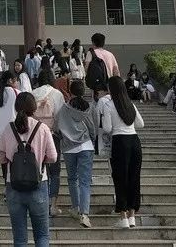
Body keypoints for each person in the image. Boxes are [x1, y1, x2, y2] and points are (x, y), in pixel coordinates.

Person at [0, 91, 58, 247]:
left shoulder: (8, 128)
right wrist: (38, 159)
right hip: (39, 184)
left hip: (13, 185)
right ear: (34, 107)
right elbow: (53, 157)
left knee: (19, 239)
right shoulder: (42, 128)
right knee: (42, 235)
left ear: (16, 108)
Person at [98, 75, 144, 229]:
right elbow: (140, 124)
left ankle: (123, 216)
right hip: (134, 141)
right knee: (134, 178)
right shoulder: (130, 103)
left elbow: (107, 128)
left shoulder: (109, 105)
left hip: (119, 142)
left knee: (120, 178)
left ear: (111, 89)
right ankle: (132, 216)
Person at [56, 79, 97, 228]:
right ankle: (84, 215)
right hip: (86, 145)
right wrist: (91, 139)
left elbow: (57, 128)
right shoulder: (89, 107)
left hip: (69, 148)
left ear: (70, 91)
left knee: (72, 179)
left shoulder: (63, 109)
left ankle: (75, 207)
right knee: (85, 181)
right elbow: (93, 128)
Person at [31, 67, 66, 217]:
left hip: (35, 135)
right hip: (52, 135)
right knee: (55, 171)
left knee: (37, 167)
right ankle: (52, 205)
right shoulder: (57, 94)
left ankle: (39, 201)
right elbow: (60, 116)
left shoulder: (33, 93)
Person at [0, 72, 20, 145]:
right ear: (10, 80)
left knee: (0, 155)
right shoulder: (18, 93)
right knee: (12, 155)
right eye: (16, 80)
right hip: (13, 130)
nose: (17, 83)